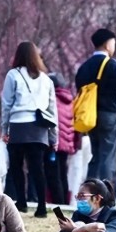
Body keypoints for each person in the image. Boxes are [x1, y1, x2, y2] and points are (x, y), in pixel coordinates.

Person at [0, 41, 58, 218]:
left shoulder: (13, 75)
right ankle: (41, 206)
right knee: (37, 168)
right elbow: (52, 110)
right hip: (39, 128)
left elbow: (7, 105)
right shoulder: (46, 79)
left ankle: (22, 202)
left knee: (16, 167)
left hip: (18, 125)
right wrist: (54, 137)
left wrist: (5, 129)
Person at [75, 29, 116, 181]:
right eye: (113, 42)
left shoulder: (84, 66)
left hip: (90, 115)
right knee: (108, 156)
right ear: (106, 44)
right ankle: (106, 195)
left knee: (95, 156)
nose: (114, 46)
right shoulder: (111, 64)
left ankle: (89, 194)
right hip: (109, 113)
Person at [46, 72, 75, 205]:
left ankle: (58, 202)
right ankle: (64, 201)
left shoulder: (51, 99)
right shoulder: (69, 99)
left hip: (54, 141)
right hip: (66, 142)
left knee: (53, 174)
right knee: (63, 173)